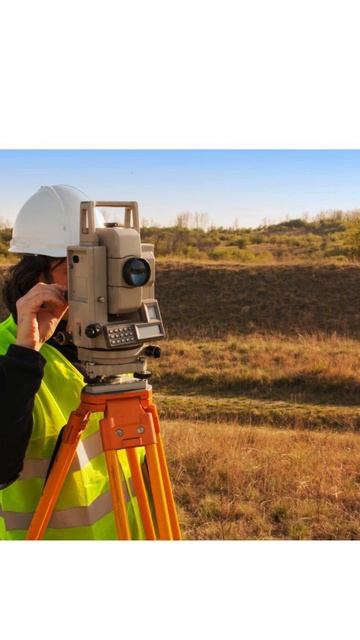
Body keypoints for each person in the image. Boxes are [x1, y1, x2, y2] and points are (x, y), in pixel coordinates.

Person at [0, 185, 146, 540]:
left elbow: (139, 466)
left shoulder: (109, 349)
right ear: (37, 279)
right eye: (78, 267)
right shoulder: (9, 351)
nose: (100, 283)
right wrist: (25, 354)